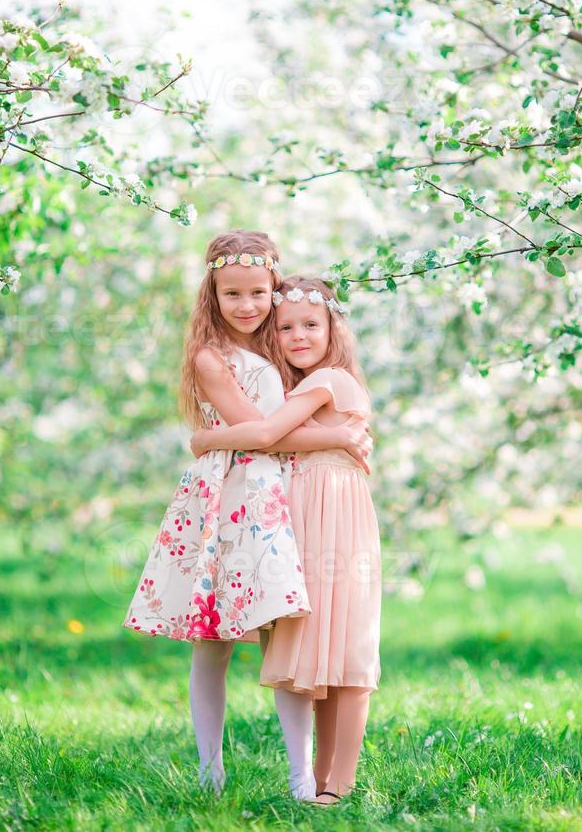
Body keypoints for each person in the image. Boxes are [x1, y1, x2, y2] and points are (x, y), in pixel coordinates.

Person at [122, 234, 370, 798]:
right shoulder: (212, 357)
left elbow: (282, 428)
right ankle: (211, 770)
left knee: (286, 631)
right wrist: (335, 436)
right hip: (231, 499)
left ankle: (301, 775)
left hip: (282, 499)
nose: (247, 305)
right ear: (212, 293)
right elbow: (263, 434)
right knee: (214, 640)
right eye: (232, 293)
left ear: (274, 289)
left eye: (259, 292)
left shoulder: (282, 347)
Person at [190, 275, 381, 806]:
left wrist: (205, 439)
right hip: (304, 515)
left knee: (344, 646)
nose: (297, 336)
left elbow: (270, 432)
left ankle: (334, 785)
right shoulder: (295, 379)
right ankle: (320, 785)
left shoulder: (330, 379)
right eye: (286, 326)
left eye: (310, 325)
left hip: (333, 518)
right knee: (319, 647)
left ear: (332, 328)